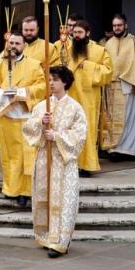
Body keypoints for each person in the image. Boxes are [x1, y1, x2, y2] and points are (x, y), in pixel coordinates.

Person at [23, 65, 87, 258]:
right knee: (44, 196)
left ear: (64, 82)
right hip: (44, 159)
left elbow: (80, 135)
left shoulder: (75, 107)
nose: (50, 83)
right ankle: (45, 236)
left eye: (55, 80)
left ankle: (60, 241)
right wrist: (40, 123)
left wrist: (57, 136)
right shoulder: (42, 106)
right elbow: (27, 128)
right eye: (49, 79)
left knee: (63, 201)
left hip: (63, 161)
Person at [0, 31, 46, 207]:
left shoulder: (34, 65)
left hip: (27, 117)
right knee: (10, 156)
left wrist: (22, 93)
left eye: (17, 43)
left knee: (27, 156)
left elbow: (42, 86)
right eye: (11, 43)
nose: (13, 47)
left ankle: (25, 192)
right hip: (7, 117)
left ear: (24, 46)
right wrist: (0, 93)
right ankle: (11, 189)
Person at [62, 20, 112, 176]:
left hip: (89, 98)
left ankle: (86, 165)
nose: (76, 36)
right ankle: (69, 163)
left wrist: (89, 66)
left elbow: (108, 72)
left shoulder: (99, 50)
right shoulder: (67, 49)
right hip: (70, 95)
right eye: (74, 32)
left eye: (79, 33)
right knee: (68, 129)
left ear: (88, 33)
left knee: (86, 130)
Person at [102, 13, 135, 158]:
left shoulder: (134, 41)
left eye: (119, 25)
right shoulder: (109, 43)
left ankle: (128, 149)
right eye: (114, 26)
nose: (117, 28)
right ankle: (113, 148)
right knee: (112, 119)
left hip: (129, 85)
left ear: (126, 25)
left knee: (129, 117)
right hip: (112, 87)